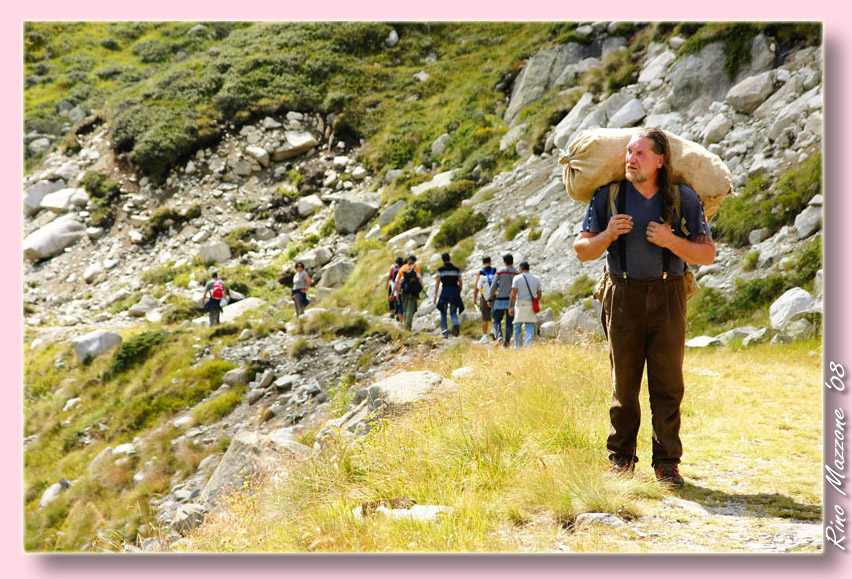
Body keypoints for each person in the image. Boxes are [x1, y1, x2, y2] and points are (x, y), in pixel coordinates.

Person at [572, 127, 715, 488]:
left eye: (639, 155)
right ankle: (621, 459)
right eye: (629, 153)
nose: (630, 160)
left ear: (660, 161)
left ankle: (667, 463)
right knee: (624, 383)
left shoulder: (684, 198)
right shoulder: (609, 196)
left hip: (668, 297)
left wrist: (671, 240)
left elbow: (707, 254)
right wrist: (607, 236)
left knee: (668, 383)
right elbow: (582, 250)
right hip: (622, 295)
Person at [487, 254, 519, 348]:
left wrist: (490, 298)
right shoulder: (517, 273)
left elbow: (493, 285)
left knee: (497, 320)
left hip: (500, 300)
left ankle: (499, 335)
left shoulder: (500, 272)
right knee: (509, 323)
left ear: (504, 261)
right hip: (511, 301)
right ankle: (507, 342)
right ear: (512, 261)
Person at [509, 261, 541, 348]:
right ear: (528, 268)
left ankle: (518, 346)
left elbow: (513, 293)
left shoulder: (517, 278)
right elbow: (539, 294)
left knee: (517, 326)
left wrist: (510, 306)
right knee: (530, 325)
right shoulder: (537, 279)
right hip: (530, 304)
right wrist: (535, 301)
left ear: (521, 269)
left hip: (520, 304)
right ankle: (528, 345)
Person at [434, 252, 464, 338]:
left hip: (445, 292)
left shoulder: (441, 270)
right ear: (450, 259)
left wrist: (436, 295)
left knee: (443, 312)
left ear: (442, 260)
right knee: (453, 311)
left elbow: (437, 282)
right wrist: (459, 291)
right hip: (455, 291)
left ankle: (444, 333)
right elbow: (460, 281)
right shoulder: (456, 269)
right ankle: (455, 323)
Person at [393, 255, 423, 331]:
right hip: (413, 291)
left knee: (405, 309)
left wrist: (397, 293)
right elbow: (419, 278)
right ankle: (408, 325)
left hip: (404, 291)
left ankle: (405, 324)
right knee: (411, 308)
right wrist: (421, 288)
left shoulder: (402, 268)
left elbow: (398, 282)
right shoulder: (417, 267)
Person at [472, 256, 497, 344]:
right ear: (490, 262)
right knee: (494, 314)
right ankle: (494, 330)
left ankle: (485, 336)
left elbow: (476, 287)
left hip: (484, 297)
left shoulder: (481, 272)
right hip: (494, 295)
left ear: (483, 263)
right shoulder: (494, 270)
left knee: (485, 317)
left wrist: (474, 298)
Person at [386, 256, 405, 322]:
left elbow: (389, 276)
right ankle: (397, 314)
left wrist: (387, 284)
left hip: (393, 284)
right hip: (399, 285)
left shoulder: (393, 267)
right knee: (398, 300)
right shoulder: (403, 267)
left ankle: (393, 313)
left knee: (391, 298)